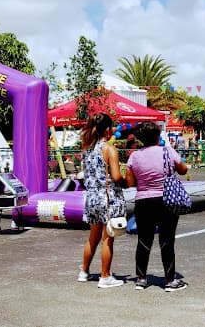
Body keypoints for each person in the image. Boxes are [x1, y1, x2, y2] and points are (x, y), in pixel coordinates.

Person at [125, 120, 189, 292]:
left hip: (143, 201)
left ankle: (141, 279)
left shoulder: (134, 156)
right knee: (167, 240)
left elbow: (130, 182)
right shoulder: (167, 151)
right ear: (157, 136)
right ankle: (169, 280)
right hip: (166, 200)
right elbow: (183, 170)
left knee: (143, 240)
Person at [78, 113, 126, 289]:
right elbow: (116, 176)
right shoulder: (109, 149)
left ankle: (84, 271)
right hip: (108, 198)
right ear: (107, 129)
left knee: (93, 237)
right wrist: (127, 181)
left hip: (92, 198)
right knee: (108, 238)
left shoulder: (87, 149)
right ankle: (105, 276)